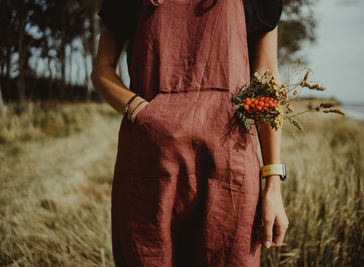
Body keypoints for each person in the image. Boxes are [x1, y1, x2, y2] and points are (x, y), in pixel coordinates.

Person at [91, 0, 289, 266]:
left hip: (230, 170)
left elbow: (266, 81)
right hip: (151, 162)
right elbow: (102, 70)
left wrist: (273, 183)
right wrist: (142, 111)